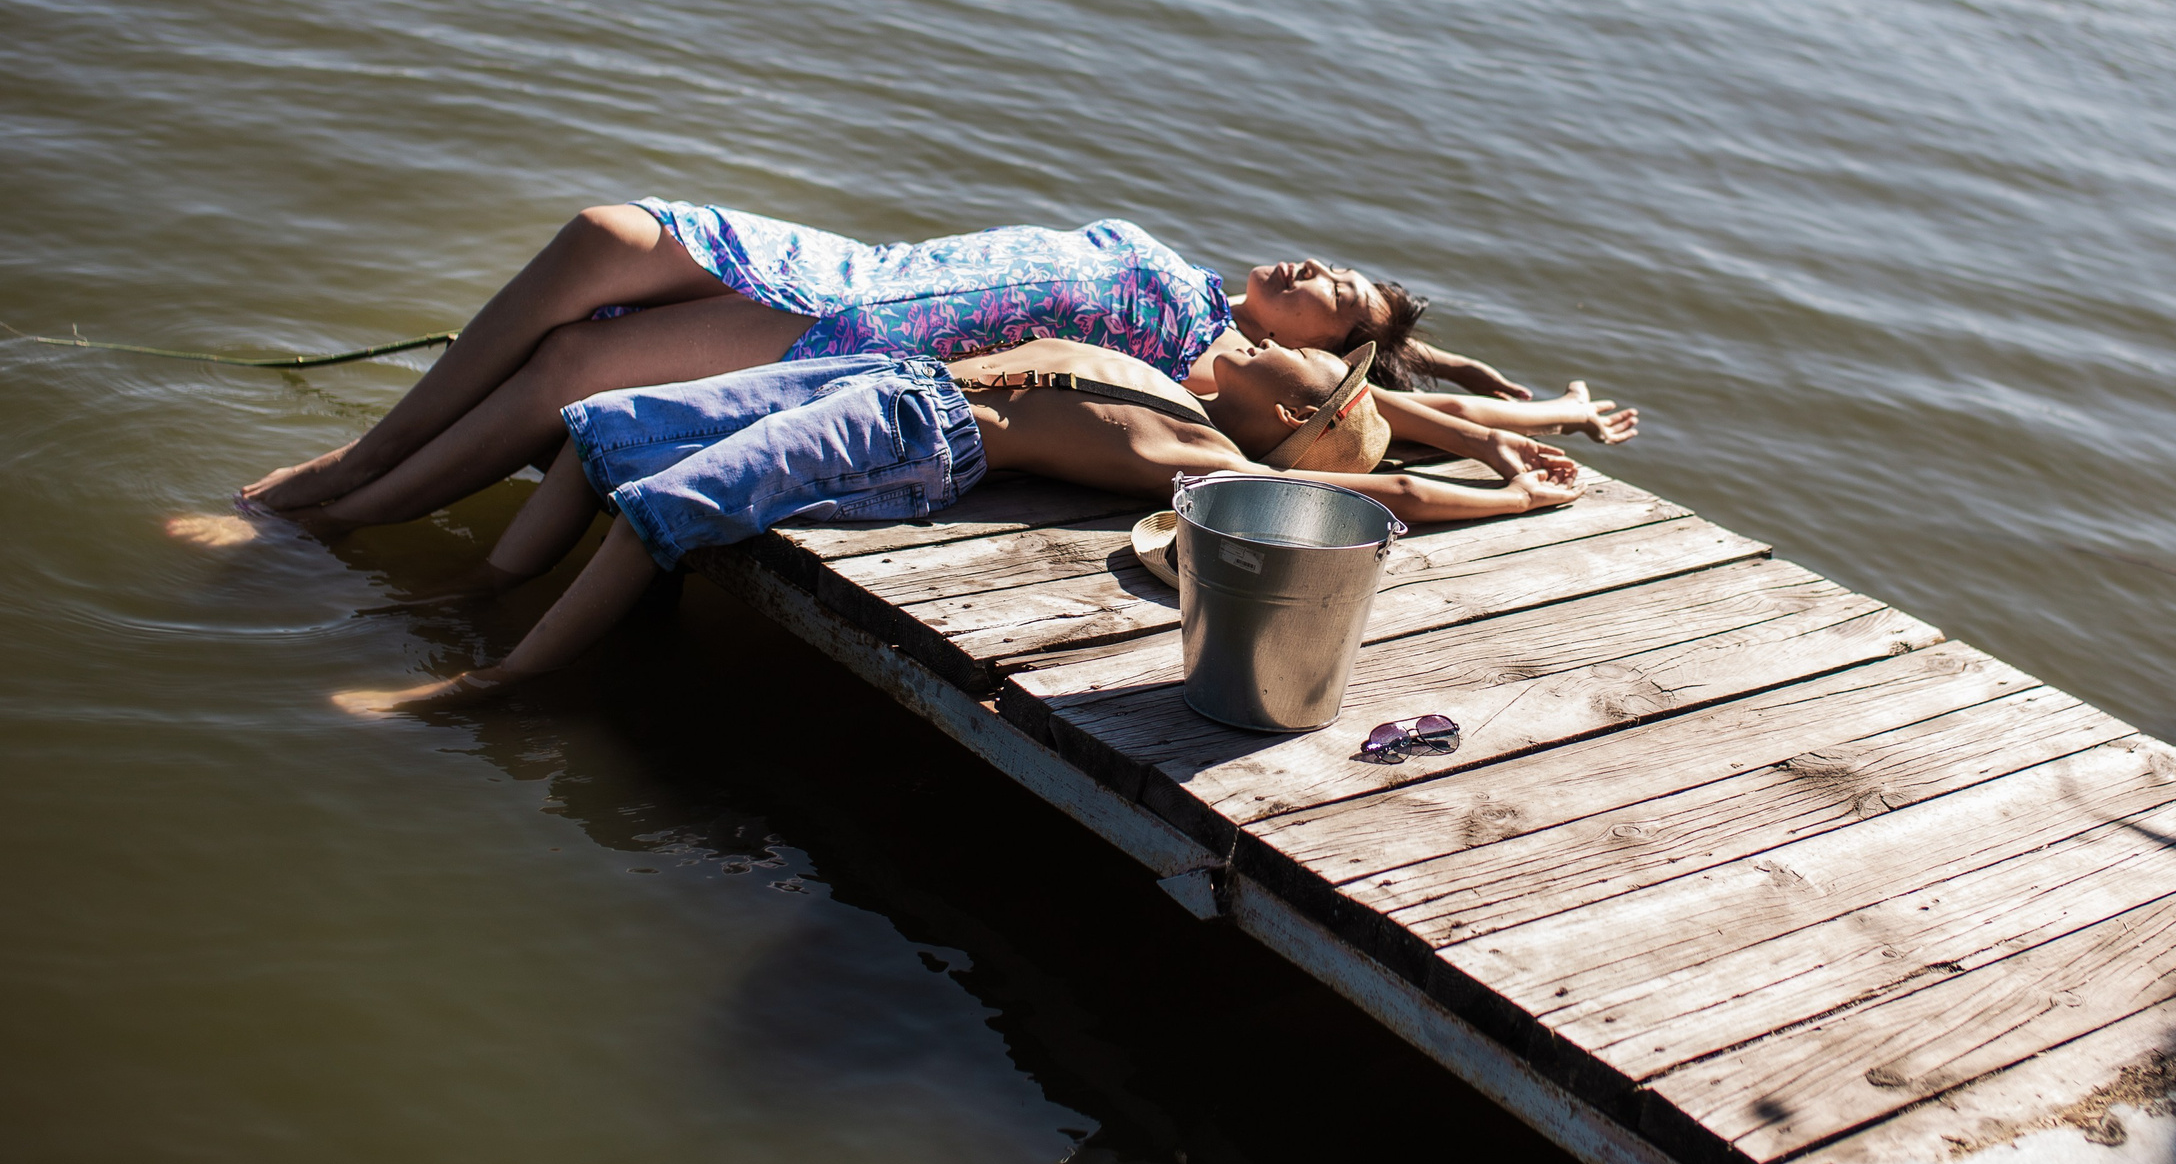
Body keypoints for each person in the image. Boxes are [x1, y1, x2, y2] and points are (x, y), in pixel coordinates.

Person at [209, 202, 1633, 543]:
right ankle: (363, 463)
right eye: (1331, 266)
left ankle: (318, 506)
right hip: (853, 263)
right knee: (601, 232)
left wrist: (1526, 430)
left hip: (861, 337)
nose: (1317, 274)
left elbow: (1400, 415)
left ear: (1326, 362)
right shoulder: (1196, 286)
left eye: (1340, 302)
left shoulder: (1200, 366)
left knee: (575, 368)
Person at [330, 335, 1581, 714]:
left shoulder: (1208, 455)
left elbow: (1381, 491)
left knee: (674, 509)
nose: (1266, 341)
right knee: (604, 425)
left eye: (1302, 367)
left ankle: (492, 681)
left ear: (1292, 419)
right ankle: (479, 588)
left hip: (909, 430)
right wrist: (1497, 423)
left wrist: (1512, 494)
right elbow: (1386, 417)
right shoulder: (1190, 377)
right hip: (882, 380)